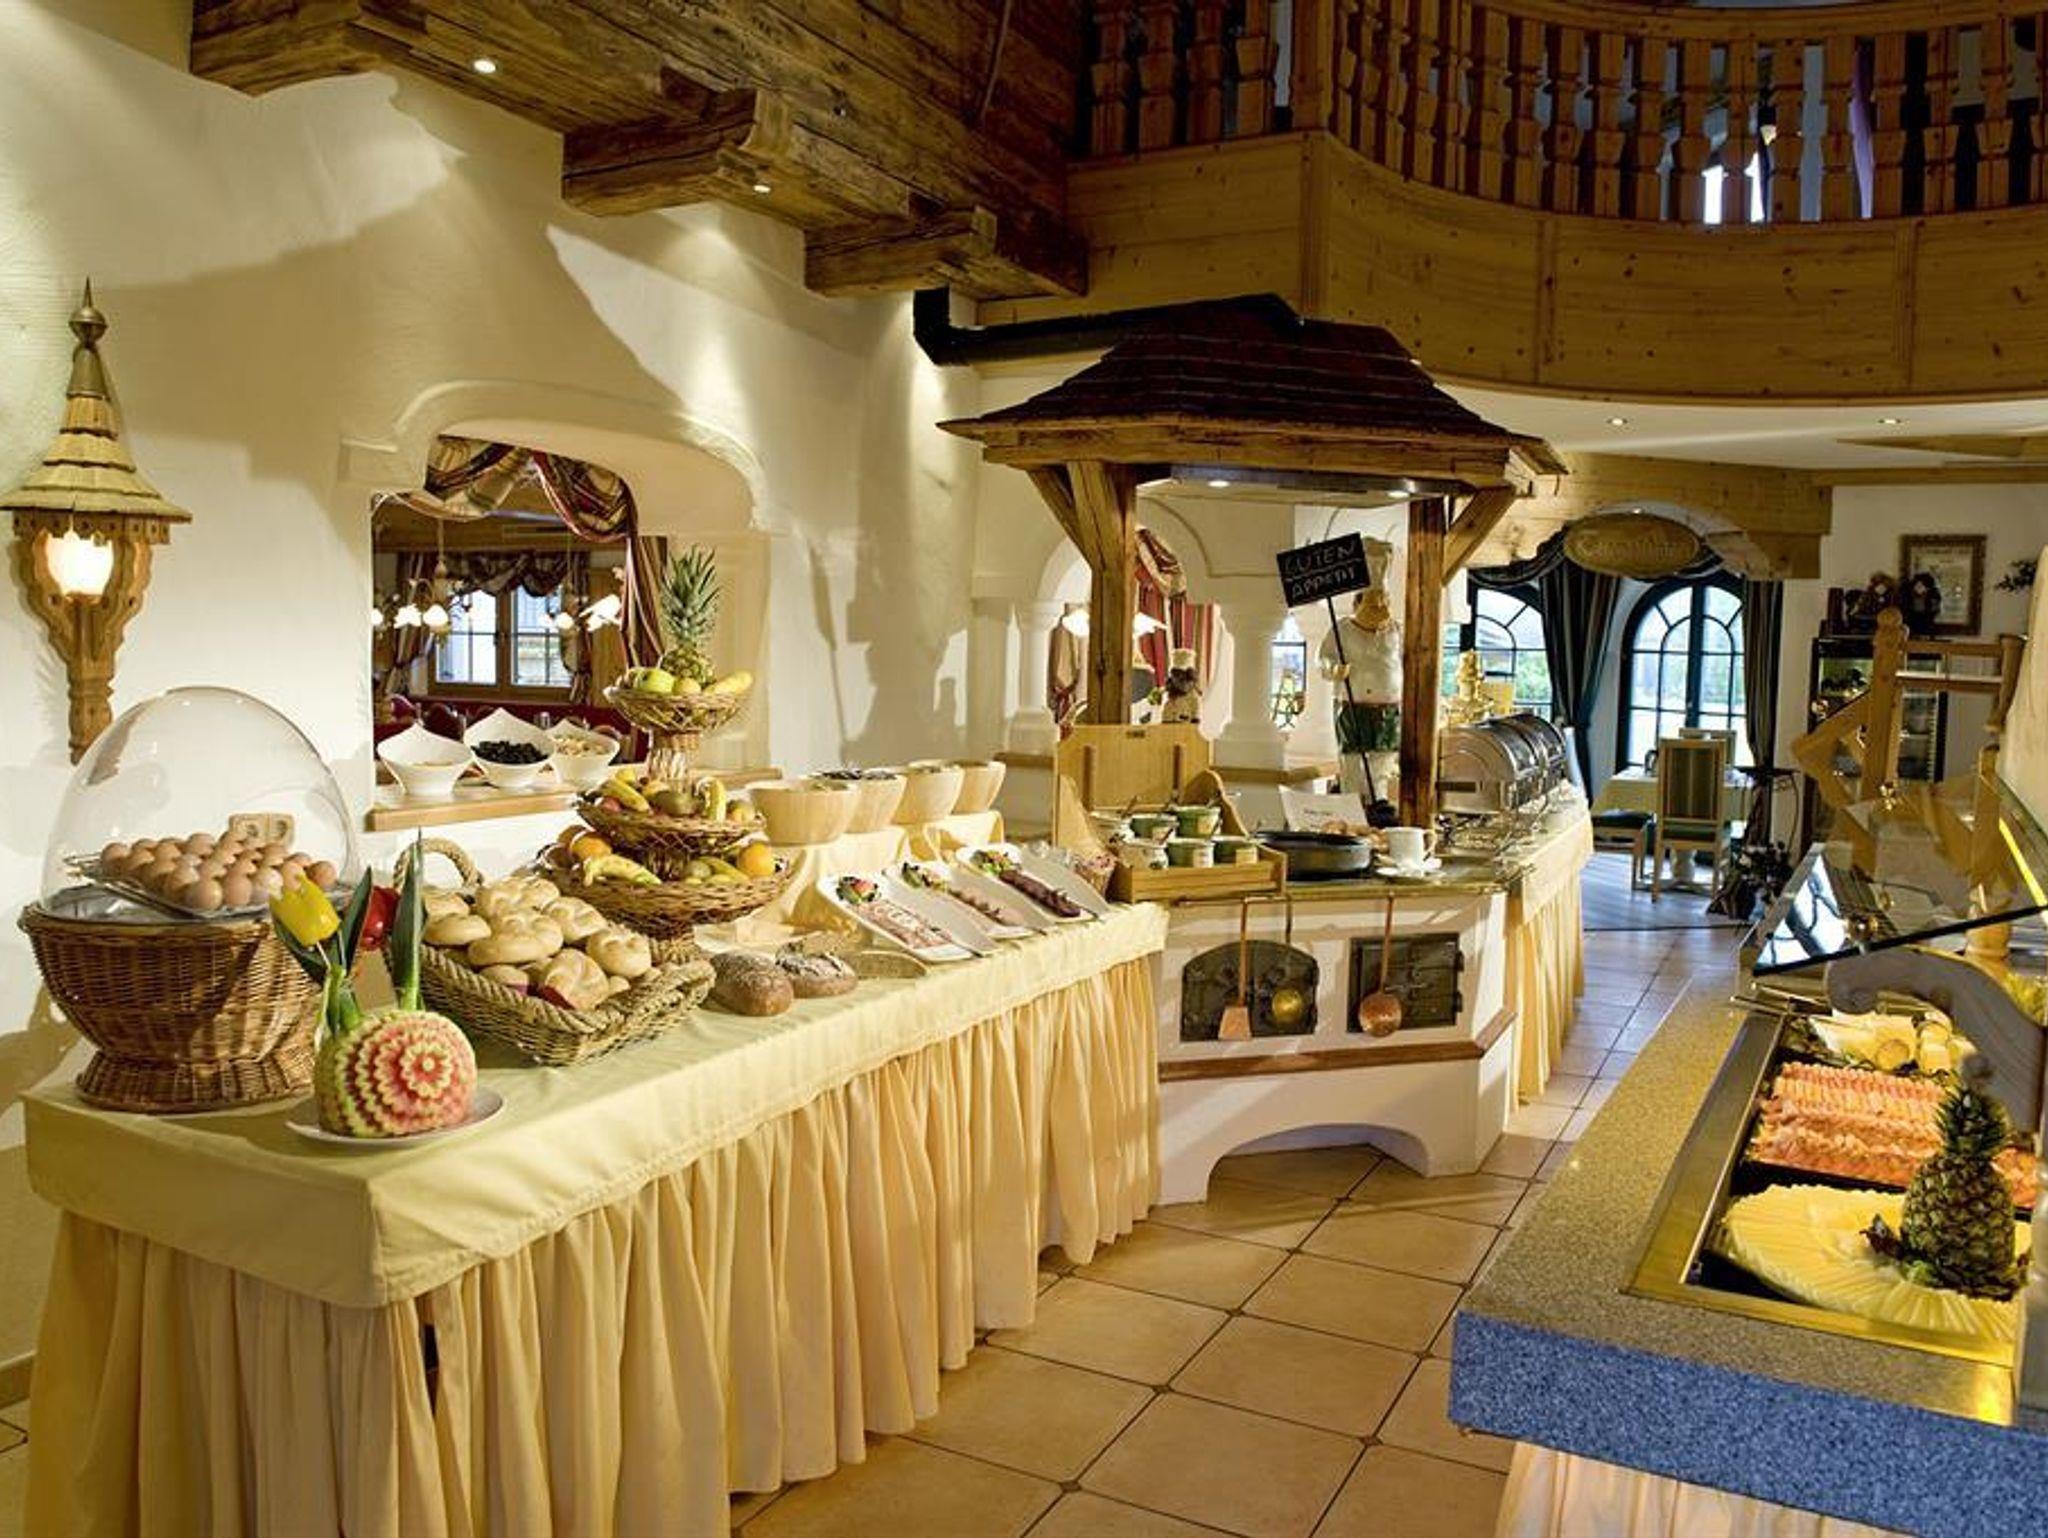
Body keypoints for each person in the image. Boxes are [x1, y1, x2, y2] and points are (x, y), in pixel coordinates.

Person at [1315, 538, 1400, 808]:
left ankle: (1378, 799)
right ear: (1357, 603)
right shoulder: (1343, 630)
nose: (1380, 609)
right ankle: (1351, 801)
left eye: (1384, 603)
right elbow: (1323, 659)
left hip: (1388, 707)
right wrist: (1334, 669)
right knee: (1352, 757)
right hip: (1352, 705)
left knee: (1382, 758)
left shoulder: (1396, 630)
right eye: (1373, 604)